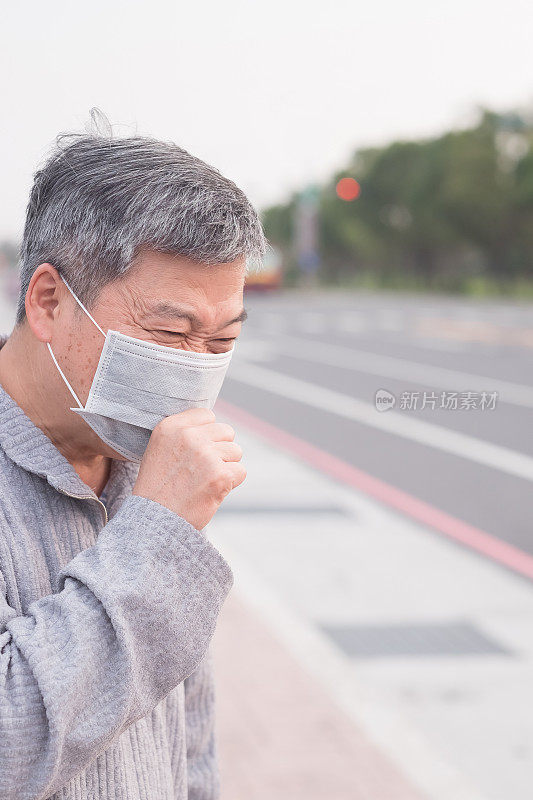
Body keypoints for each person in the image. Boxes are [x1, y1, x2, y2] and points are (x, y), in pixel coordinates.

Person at [0, 114, 266, 800]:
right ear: (50, 302)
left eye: (220, 341)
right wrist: (155, 534)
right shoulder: (158, 503)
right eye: (171, 332)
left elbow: (187, 738)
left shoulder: (138, 460)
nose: (197, 368)